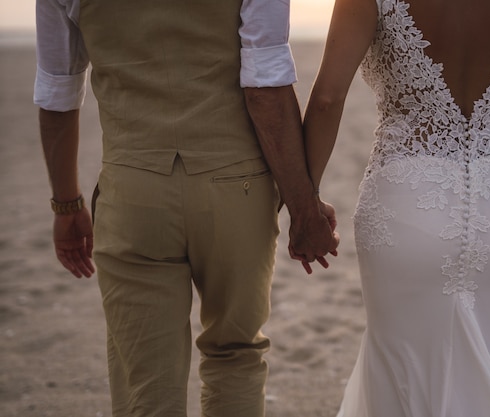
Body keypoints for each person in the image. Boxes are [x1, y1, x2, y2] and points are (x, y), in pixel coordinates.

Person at [34, 0, 339, 416]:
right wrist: (305, 208)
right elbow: (264, 88)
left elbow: (58, 92)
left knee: (146, 378)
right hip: (237, 190)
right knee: (236, 352)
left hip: (133, 194)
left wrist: (67, 205)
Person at [303, 0, 490, 415]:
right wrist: (478, 109)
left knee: (406, 364)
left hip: (410, 198)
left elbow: (326, 98)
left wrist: (306, 201)